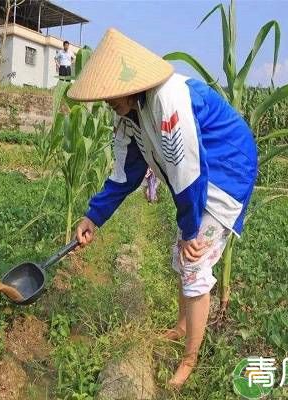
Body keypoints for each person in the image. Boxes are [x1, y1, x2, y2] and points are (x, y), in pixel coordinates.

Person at [67, 28, 258, 389]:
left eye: (110, 93)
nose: (107, 102)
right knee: (181, 254)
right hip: (201, 175)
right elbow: (125, 174)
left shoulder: (168, 101)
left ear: (130, 84)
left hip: (226, 171)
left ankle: (189, 359)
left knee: (194, 260)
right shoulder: (128, 114)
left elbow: (188, 172)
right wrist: (93, 216)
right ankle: (183, 327)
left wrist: (190, 231)